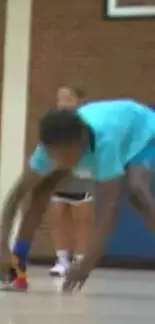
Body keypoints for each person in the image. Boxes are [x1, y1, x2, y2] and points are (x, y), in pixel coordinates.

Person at [0, 99, 155, 292]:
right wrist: (3, 248)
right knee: (40, 191)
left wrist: (87, 263)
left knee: (137, 192)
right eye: (55, 156)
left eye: (67, 155)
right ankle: (17, 268)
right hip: (107, 128)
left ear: (81, 141)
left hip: (143, 131)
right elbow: (15, 197)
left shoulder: (105, 144)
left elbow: (110, 209)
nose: (61, 161)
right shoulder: (47, 151)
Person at [47, 85, 95, 277]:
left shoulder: (87, 122)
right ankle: (62, 259)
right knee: (57, 215)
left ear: (77, 100)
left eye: (67, 98)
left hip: (82, 175)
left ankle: (80, 260)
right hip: (61, 175)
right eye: (59, 99)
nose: (62, 103)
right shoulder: (54, 123)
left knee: (81, 219)